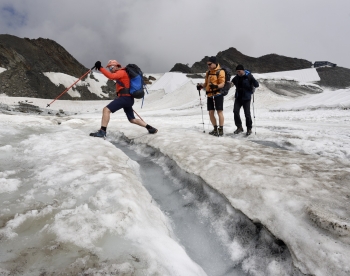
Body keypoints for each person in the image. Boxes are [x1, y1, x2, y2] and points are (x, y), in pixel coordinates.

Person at [89, 60, 158, 138]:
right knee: (132, 119)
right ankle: (150, 128)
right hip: (129, 99)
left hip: (125, 98)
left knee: (106, 110)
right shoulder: (124, 73)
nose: (110, 70)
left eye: (111, 67)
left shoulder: (121, 72)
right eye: (109, 68)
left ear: (117, 66)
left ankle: (102, 131)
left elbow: (111, 77)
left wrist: (100, 68)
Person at [196, 56, 225, 136]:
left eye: (209, 64)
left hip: (218, 94)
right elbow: (206, 83)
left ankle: (221, 129)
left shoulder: (221, 71)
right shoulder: (208, 72)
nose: (208, 66)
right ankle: (215, 129)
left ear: (214, 63)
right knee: (211, 112)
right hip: (209, 95)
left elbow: (222, 83)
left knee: (219, 112)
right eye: (207, 65)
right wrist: (201, 86)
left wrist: (216, 86)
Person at [231, 64, 259, 136]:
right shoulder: (236, 77)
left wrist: (254, 84)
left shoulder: (249, 76)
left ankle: (249, 128)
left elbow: (257, 84)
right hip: (238, 97)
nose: (238, 73)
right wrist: (228, 84)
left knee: (247, 114)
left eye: (239, 71)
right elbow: (232, 83)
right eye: (237, 72)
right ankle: (239, 127)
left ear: (243, 70)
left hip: (246, 97)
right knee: (235, 112)